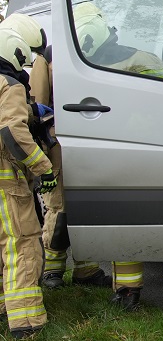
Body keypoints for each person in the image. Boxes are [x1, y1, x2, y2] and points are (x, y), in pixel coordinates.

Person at [70, 2, 163, 309]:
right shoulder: (143, 58)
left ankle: (127, 292)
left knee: (124, 221)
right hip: (153, 153)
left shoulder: (87, 72)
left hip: (113, 158)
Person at [30, 45, 112, 289]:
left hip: (91, 137)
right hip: (60, 141)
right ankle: (53, 270)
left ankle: (86, 269)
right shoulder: (49, 56)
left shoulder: (98, 53)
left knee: (87, 205)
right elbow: (39, 105)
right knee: (60, 206)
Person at [0, 14, 58, 339]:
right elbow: (10, 130)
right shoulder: (8, 84)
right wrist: (42, 165)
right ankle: (26, 324)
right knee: (22, 245)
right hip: (6, 183)